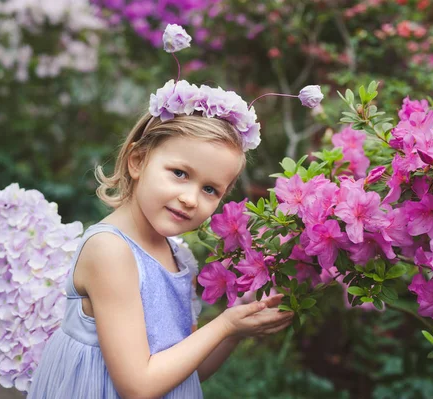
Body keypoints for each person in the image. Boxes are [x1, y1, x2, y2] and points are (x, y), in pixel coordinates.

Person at [25, 23, 323, 398]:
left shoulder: (176, 254)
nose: (190, 198)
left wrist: (235, 330)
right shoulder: (111, 252)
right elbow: (138, 385)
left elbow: (184, 372)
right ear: (137, 161)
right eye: (180, 173)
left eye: (210, 189)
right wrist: (225, 325)